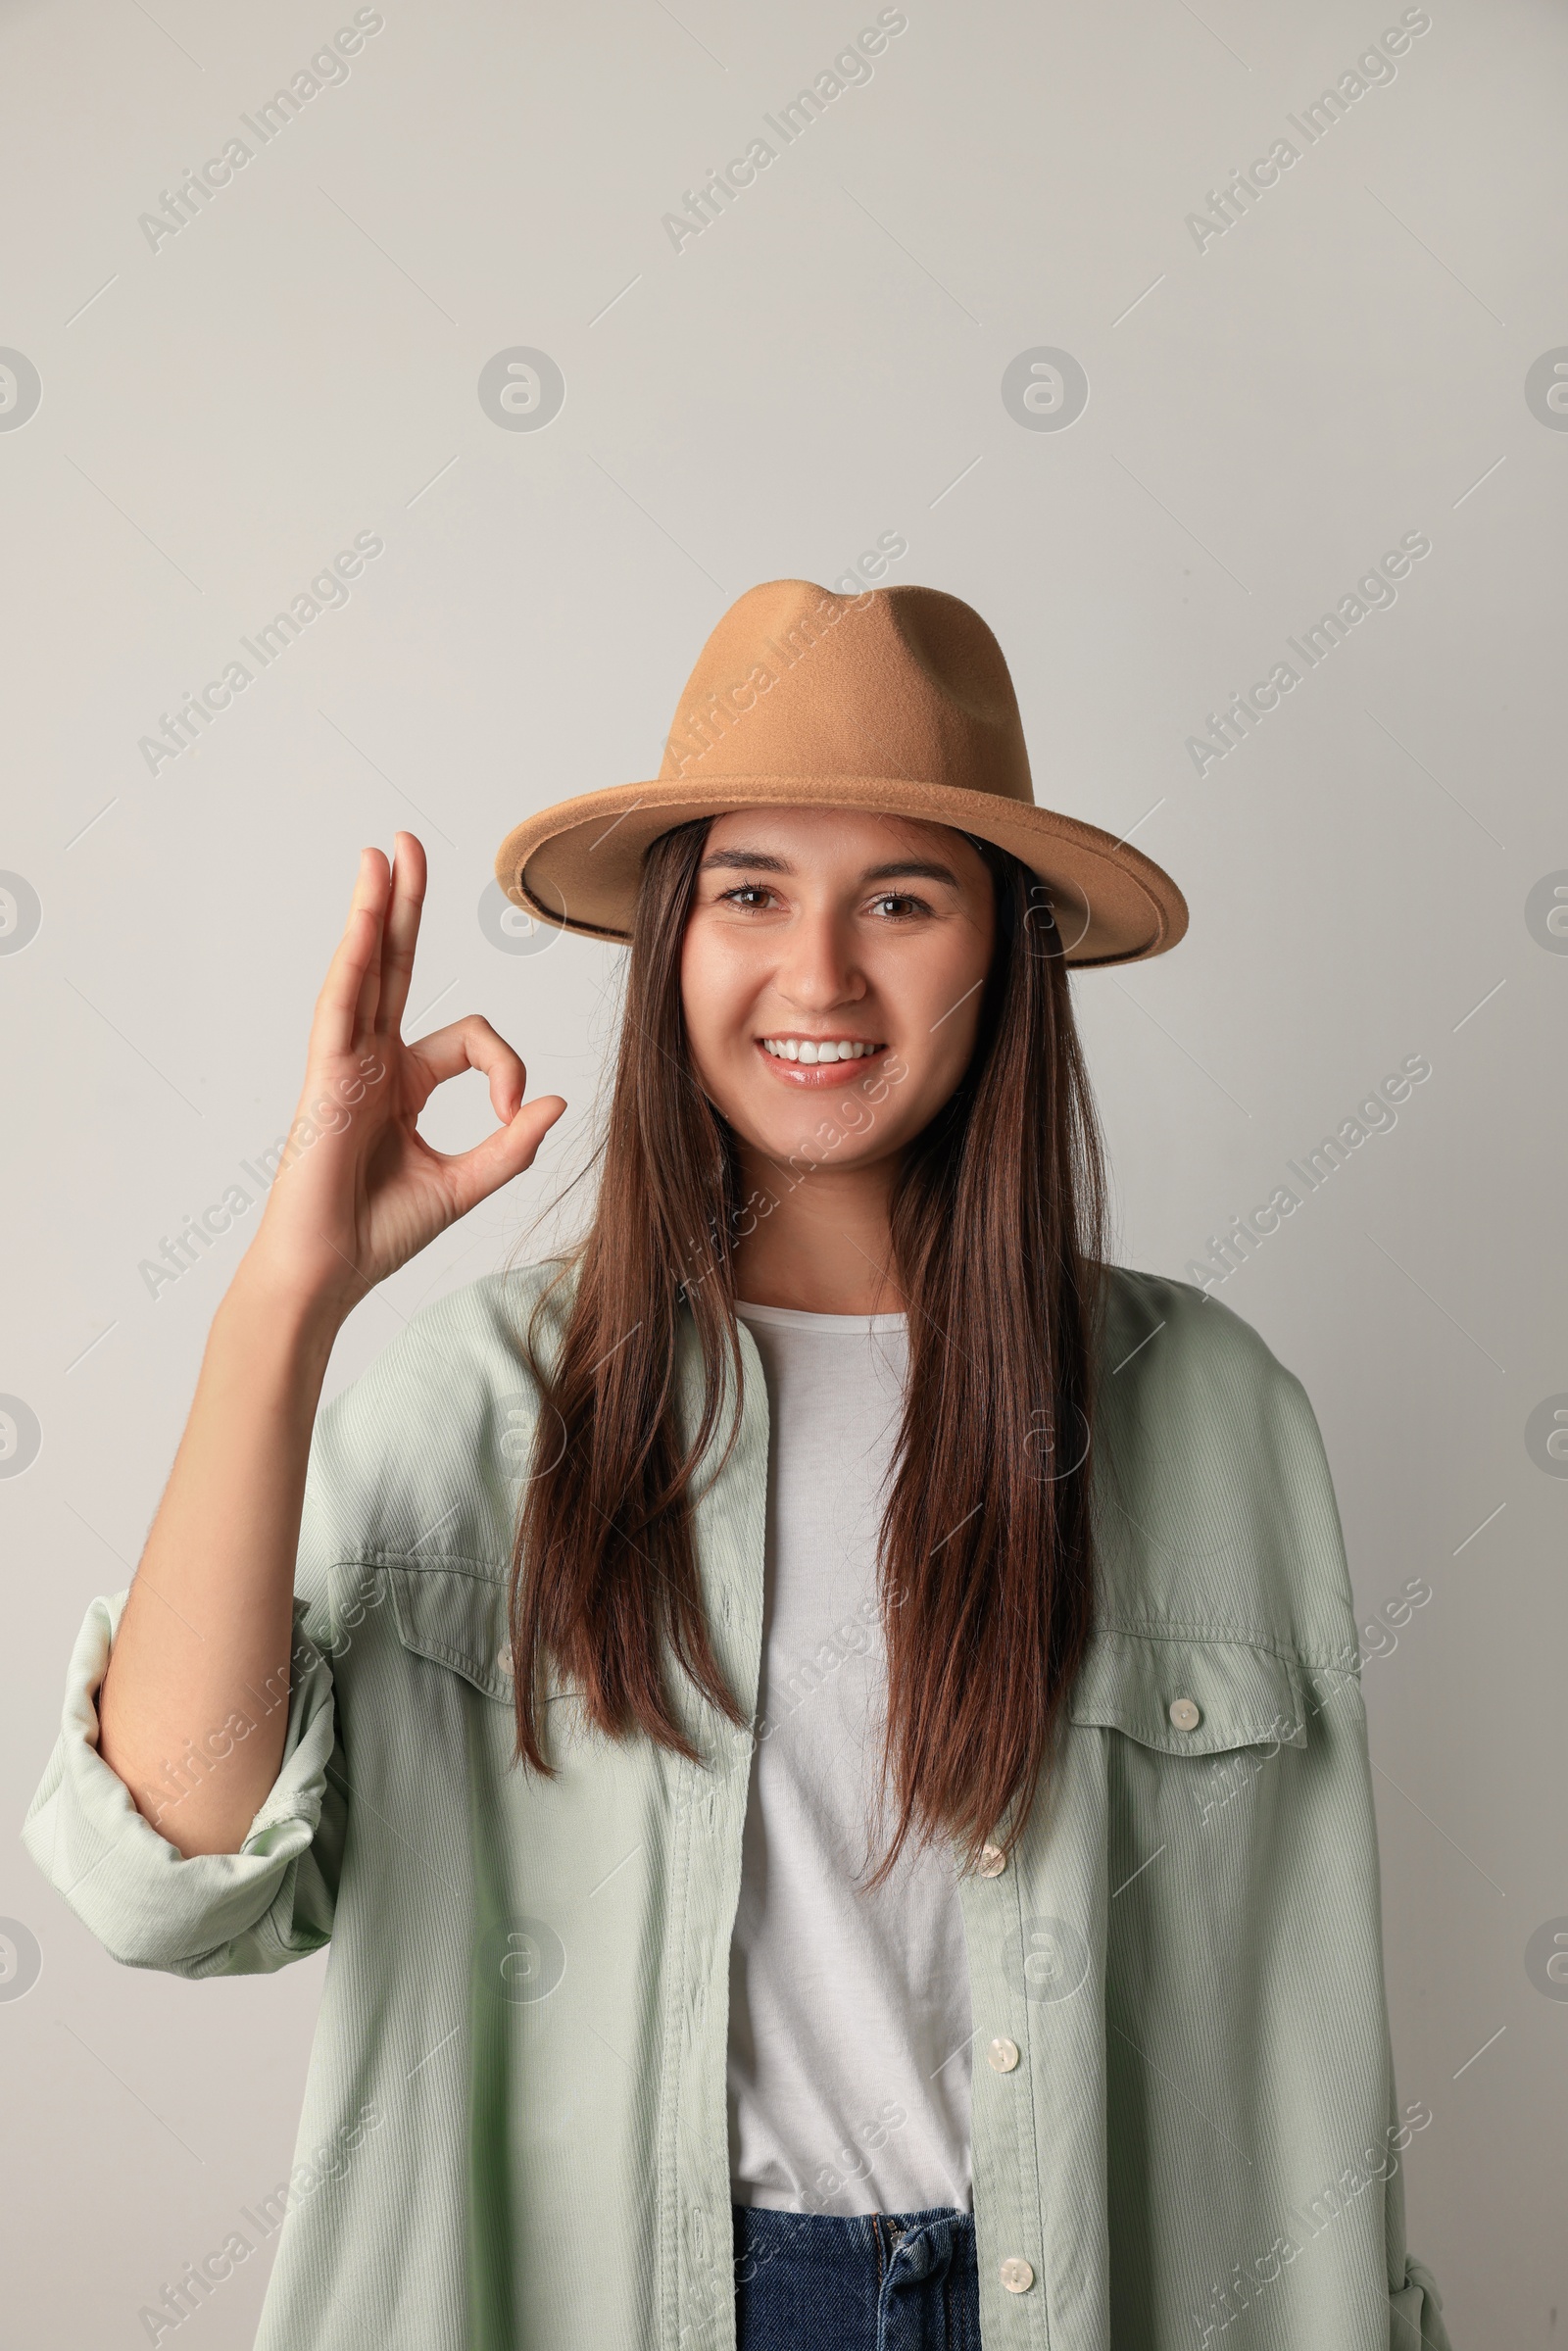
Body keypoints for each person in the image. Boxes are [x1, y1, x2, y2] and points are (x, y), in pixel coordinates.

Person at [24, 581, 1452, 2351]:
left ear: (1003, 947)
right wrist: (284, 1305)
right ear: (671, 948)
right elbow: (172, 1871)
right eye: (751, 893)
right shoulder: (481, 1403)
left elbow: (1297, 2058)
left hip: (1080, 2292)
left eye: (903, 901)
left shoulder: (1217, 1413)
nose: (821, 973)